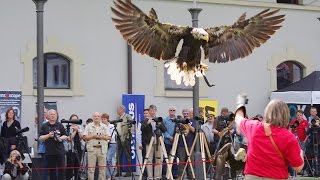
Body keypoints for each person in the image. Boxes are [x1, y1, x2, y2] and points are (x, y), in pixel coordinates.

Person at [235, 97, 304, 179]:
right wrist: (301, 154)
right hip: (275, 176)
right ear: (286, 115)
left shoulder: (253, 127)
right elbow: (298, 168)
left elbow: (238, 118)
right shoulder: (288, 137)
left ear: (267, 113)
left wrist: (240, 103)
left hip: (251, 176)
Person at [39, 109, 68, 180]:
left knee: (61, 170)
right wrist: (48, 135)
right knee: (52, 171)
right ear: (47, 116)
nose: (52, 116)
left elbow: (66, 136)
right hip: (50, 152)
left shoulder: (60, 125)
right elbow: (40, 138)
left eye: (54, 114)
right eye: (51, 114)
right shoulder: (44, 125)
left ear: (56, 116)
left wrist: (60, 138)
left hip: (60, 151)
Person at [141, 105, 166, 180]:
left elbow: (164, 130)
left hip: (158, 141)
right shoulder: (145, 120)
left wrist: (159, 124)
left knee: (159, 159)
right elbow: (142, 129)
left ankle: (158, 176)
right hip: (149, 142)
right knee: (149, 159)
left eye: (154, 110)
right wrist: (147, 123)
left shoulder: (159, 119)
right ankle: (150, 177)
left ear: (156, 111)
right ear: (149, 111)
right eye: (151, 110)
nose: (152, 112)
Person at [83, 112, 111, 180]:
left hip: (102, 149)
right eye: (95, 116)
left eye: (98, 116)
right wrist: (93, 136)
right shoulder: (89, 126)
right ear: (93, 117)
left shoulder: (104, 126)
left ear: (100, 118)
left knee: (102, 169)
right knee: (91, 169)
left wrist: (102, 137)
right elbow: (84, 137)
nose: (96, 117)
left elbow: (109, 137)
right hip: (92, 149)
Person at [177, 108, 196, 180]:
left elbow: (194, 130)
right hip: (181, 144)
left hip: (190, 144)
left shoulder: (193, 121)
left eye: (187, 113)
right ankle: (180, 176)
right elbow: (177, 131)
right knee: (181, 161)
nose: (186, 115)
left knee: (190, 161)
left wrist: (188, 124)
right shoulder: (180, 121)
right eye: (184, 114)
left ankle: (191, 176)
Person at [115, 105, 133, 177]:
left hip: (126, 137)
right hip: (119, 138)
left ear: (122, 110)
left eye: (117, 109)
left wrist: (128, 137)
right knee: (119, 155)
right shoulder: (117, 118)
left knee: (128, 154)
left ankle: (129, 171)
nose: (117, 111)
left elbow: (131, 126)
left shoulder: (127, 116)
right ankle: (119, 171)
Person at [65, 114, 84, 180]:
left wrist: (78, 130)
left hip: (79, 148)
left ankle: (77, 177)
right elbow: (69, 139)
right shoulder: (68, 127)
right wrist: (74, 131)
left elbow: (82, 137)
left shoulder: (80, 127)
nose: (75, 121)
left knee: (78, 165)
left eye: (76, 119)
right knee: (70, 165)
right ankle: (69, 177)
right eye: (73, 119)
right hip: (71, 149)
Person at [162, 107, 178, 179]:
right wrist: (169, 137)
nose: (172, 111)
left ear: (175, 111)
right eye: (170, 110)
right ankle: (164, 173)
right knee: (166, 158)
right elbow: (163, 130)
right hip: (167, 142)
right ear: (168, 111)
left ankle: (174, 173)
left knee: (174, 158)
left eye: (173, 110)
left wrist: (175, 137)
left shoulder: (177, 120)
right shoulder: (165, 120)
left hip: (175, 141)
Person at [101, 113, 117, 180]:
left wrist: (106, 139)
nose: (103, 120)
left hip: (112, 144)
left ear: (107, 119)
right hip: (105, 144)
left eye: (104, 119)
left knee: (108, 159)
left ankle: (110, 176)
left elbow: (112, 136)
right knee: (106, 160)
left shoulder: (112, 126)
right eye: (102, 119)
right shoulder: (102, 126)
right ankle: (110, 176)